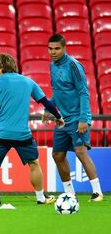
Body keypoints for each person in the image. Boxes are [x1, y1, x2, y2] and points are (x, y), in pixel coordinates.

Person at [0, 53, 65, 206]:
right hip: (22, 134)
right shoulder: (28, 82)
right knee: (34, 164)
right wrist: (58, 116)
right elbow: (45, 102)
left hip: (1, 133)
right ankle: (41, 197)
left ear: (1, 66)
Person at [43, 34, 103, 202]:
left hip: (77, 117)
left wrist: (84, 118)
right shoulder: (52, 66)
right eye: (50, 49)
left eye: (57, 49)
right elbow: (58, 90)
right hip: (62, 120)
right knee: (57, 155)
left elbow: (83, 92)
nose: (53, 52)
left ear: (64, 48)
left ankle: (97, 192)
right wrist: (49, 107)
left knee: (80, 152)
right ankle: (70, 193)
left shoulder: (74, 65)